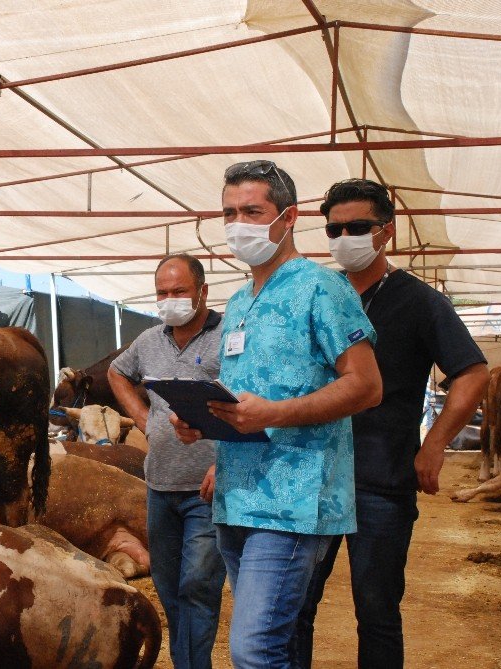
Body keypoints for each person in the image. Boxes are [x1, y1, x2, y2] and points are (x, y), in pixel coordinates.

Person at [171, 159, 383, 669]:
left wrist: (277, 415)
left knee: (254, 649)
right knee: (276, 645)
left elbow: (366, 385)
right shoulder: (241, 300)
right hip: (236, 496)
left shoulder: (323, 289)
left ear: (288, 219)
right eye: (228, 213)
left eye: (252, 211)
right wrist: (205, 424)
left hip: (294, 500)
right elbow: (246, 397)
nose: (236, 225)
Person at [292, 178, 490, 669]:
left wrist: (436, 443)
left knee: (377, 609)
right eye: (334, 228)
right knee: (294, 607)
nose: (344, 237)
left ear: (387, 233)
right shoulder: (315, 293)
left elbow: (472, 372)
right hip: (310, 478)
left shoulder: (419, 302)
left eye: (358, 226)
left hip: (381, 481)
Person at [108, 253, 227, 669]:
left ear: (202, 292)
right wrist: (142, 417)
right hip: (159, 486)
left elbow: (249, 397)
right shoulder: (149, 339)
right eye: (162, 293)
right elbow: (117, 374)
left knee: (198, 584)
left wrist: (225, 458)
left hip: (207, 489)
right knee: (168, 584)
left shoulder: (228, 336)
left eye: (179, 292)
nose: (169, 300)